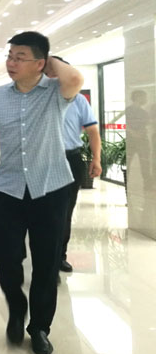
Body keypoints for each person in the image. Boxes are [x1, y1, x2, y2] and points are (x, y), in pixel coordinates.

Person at [0, 31, 83, 354]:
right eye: (9, 56)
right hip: (8, 188)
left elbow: (75, 78)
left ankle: (39, 327)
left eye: (20, 57)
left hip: (50, 188)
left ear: (40, 63)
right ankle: (16, 305)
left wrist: (49, 60)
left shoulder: (56, 91)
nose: (11, 63)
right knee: (5, 255)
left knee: (46, 262)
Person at [61, 92, 102, 272]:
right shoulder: (36, 95)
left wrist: (96, 159)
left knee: (65, 211)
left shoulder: (78, 100)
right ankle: (43, 257)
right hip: (42, 159)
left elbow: (93, 131)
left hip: (71, 158)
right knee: (42, 211)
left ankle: (59, 256)